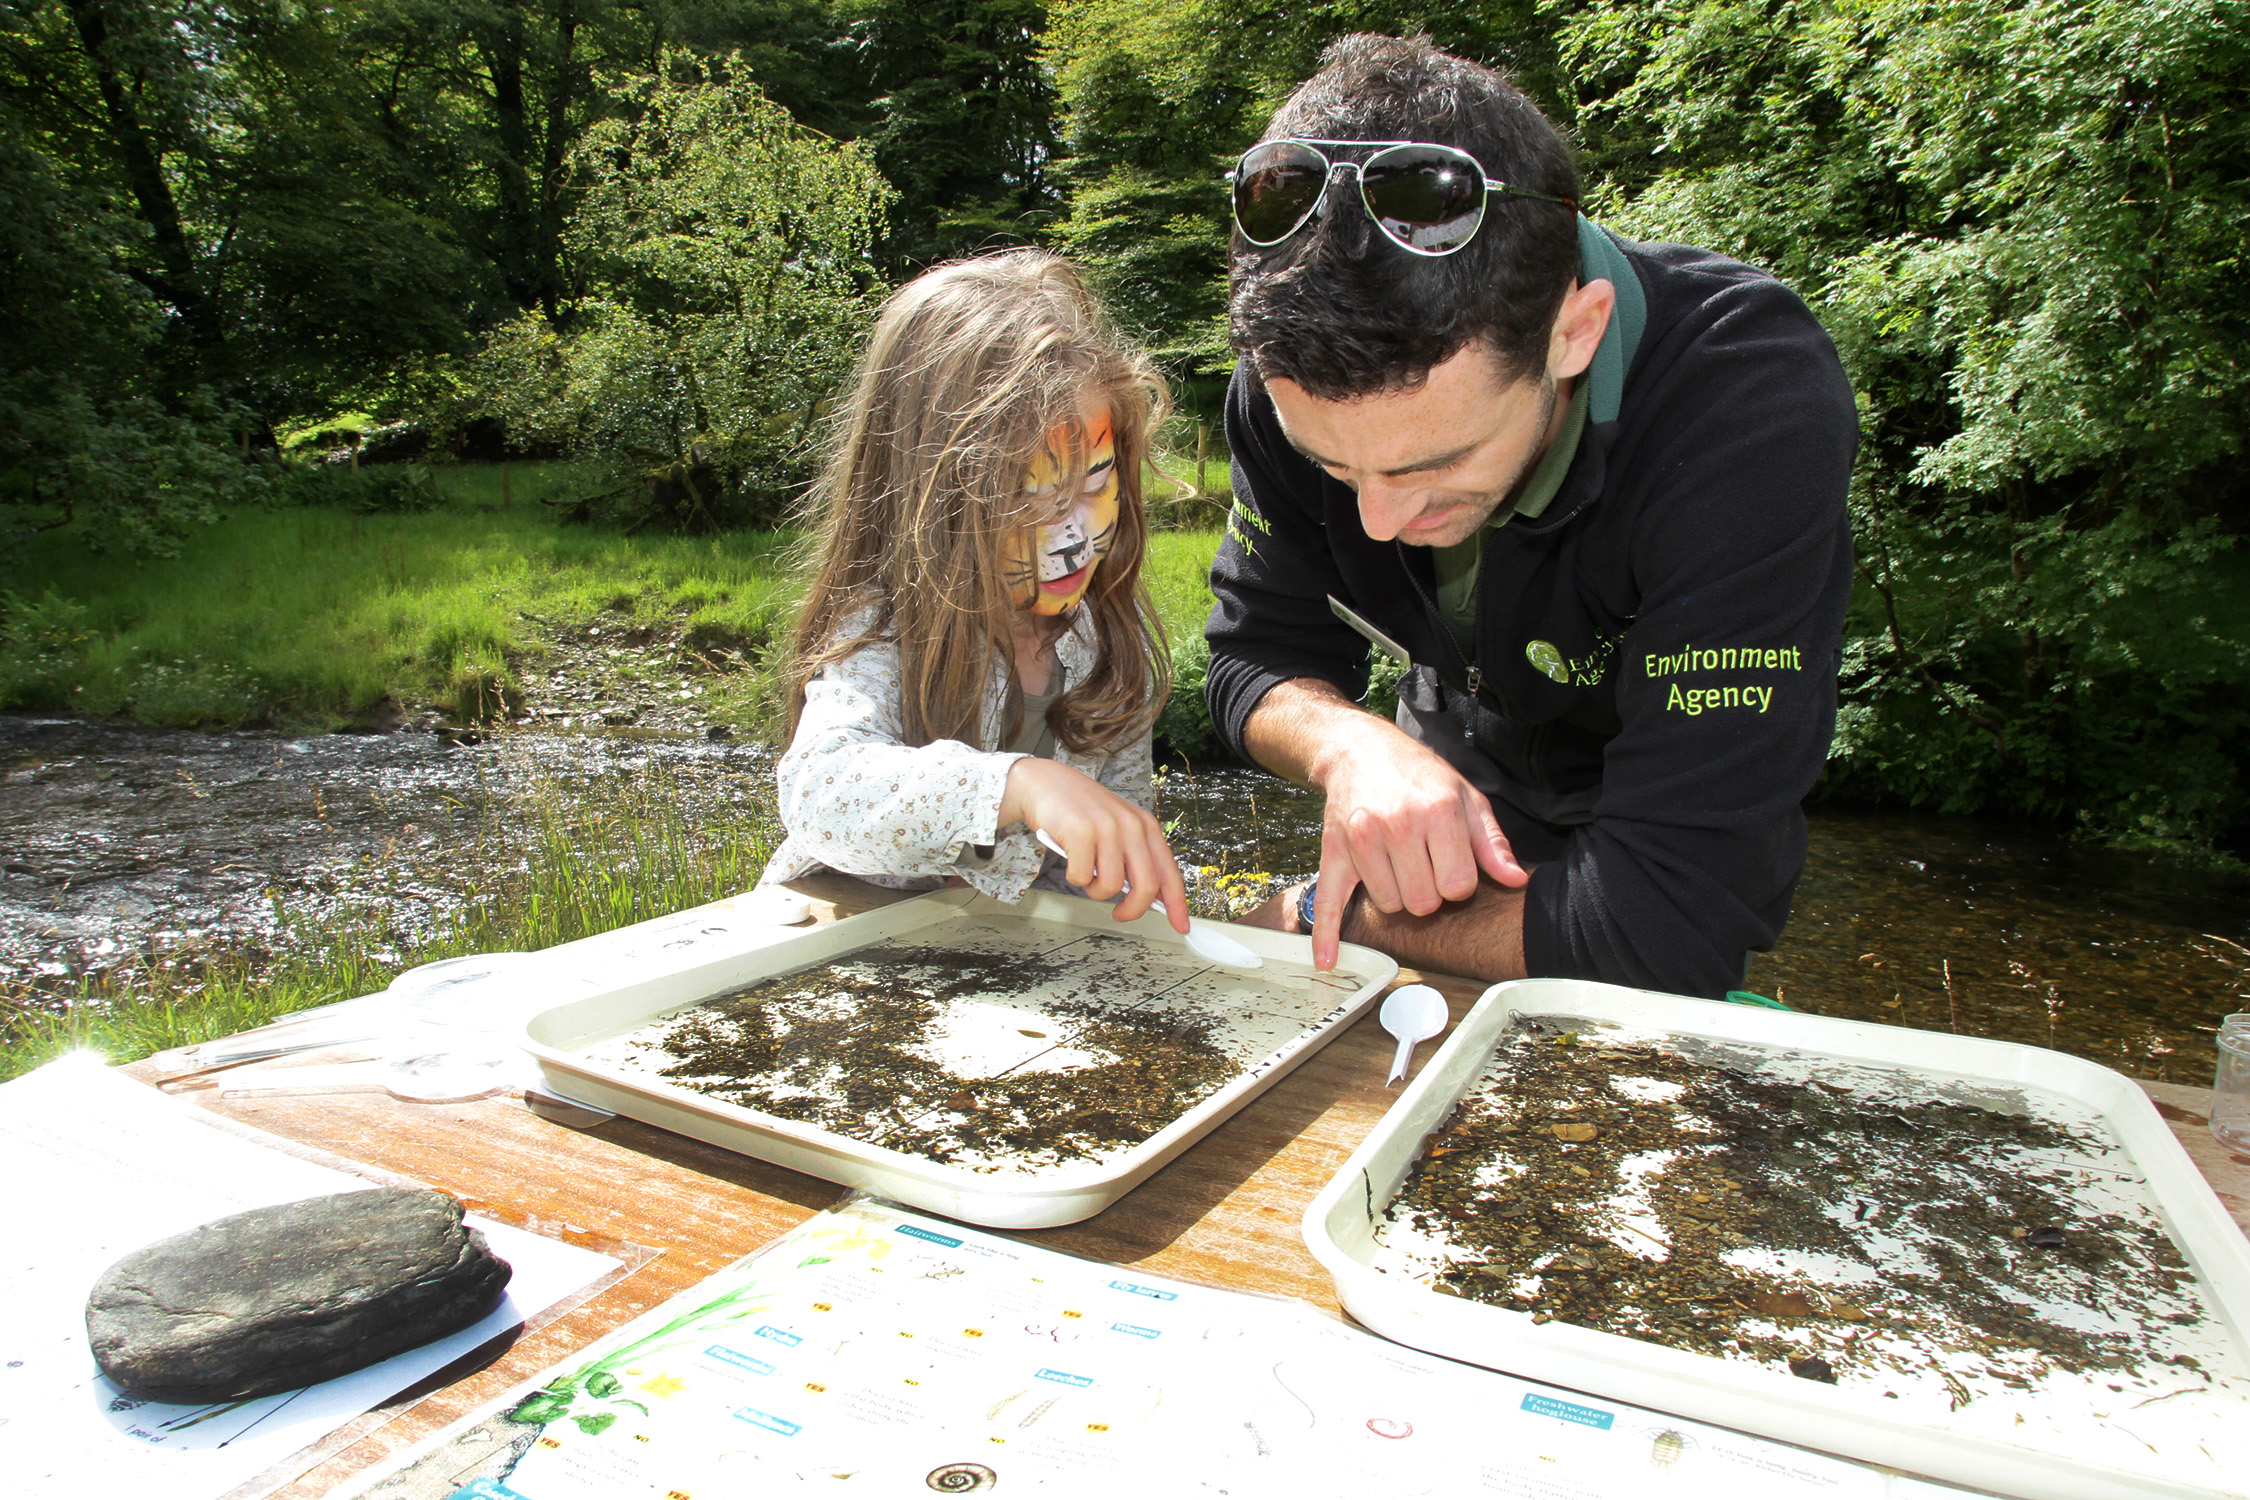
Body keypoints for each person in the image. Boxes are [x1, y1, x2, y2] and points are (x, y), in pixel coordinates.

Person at [1209, 36, 1857, 999]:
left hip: (1643, 796)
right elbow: (1254, 653)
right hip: (1455, 767)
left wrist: (1321, 914)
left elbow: (1669, 926)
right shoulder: (1289, 382)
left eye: (1437, 464)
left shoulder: (1747, 407)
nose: (1377, 522)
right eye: (1332, 467)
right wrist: (1351, 745)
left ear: (1575, 333)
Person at [760, 249, 1190, 931]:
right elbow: (820, 796)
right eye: (1028, 498)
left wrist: (1133, 906)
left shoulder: (1109, 633)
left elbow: (1113, 841)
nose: (1073, 536)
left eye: (1095, 481)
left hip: (1003, 953)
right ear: (933, 502)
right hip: (843, 940)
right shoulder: (883, 622)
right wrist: (1014, 784)